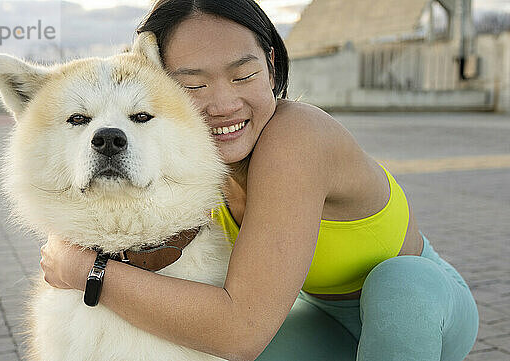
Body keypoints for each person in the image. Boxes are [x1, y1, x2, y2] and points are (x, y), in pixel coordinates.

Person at [39, 0, 479, 359]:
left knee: (399, 284)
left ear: (270, 66)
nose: (224, 103)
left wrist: (85, 271)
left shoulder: (298, 136)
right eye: (192, 85)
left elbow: (239, 332)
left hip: (426, 312)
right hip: (320, 319)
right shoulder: (188, 163)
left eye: (243, 74)